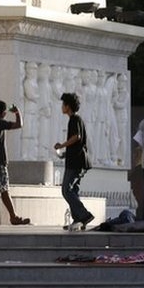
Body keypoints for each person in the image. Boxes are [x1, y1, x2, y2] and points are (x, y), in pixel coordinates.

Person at [54, 93, 95, 231]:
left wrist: (62, 145)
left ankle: (84, 215)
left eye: (63, 104)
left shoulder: (74, 119)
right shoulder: (75, 119)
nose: (62, 107)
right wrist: (64, 153)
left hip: (77, 162)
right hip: (76, 160)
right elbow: (77, 144)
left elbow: (76, 137)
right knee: (73, 190)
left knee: (66, 189)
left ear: (68, 106)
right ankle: (78, 220)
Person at [0, 100, 31, 225]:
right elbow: (19, 125)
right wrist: (17, 112)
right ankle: (13, 216)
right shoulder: (0, 123)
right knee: (4, 190)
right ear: (3, 113)